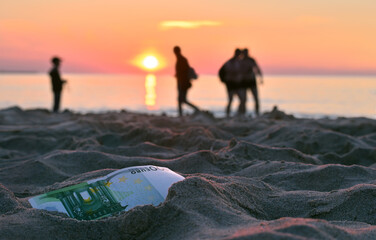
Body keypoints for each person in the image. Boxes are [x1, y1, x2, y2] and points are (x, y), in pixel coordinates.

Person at [219, 49, 247, 117]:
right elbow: (224, 71)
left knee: (242, 99)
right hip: (231, 83)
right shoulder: (230, 62)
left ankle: (239, 113)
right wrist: (224, 80)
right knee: (232, 99)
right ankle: (228, 114)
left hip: (236, 84)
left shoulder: (237, 62)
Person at [173, 46, 200, 116]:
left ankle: (196, 109)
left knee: (182, 100)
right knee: (181, 99)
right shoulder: (180, 59)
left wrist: (182, 80)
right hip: (181, 82)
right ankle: (181, 114)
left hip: (183, 82)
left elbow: (184, 72)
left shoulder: (182, 60)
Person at [241, 48, 263, 116]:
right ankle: (243, 113)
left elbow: (257, 68)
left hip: (252, 81)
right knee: (243, 99)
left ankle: (257, 113)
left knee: (255, 98)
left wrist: (260, 78)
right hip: (244, 81)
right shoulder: (240, 61)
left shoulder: (251, 60)